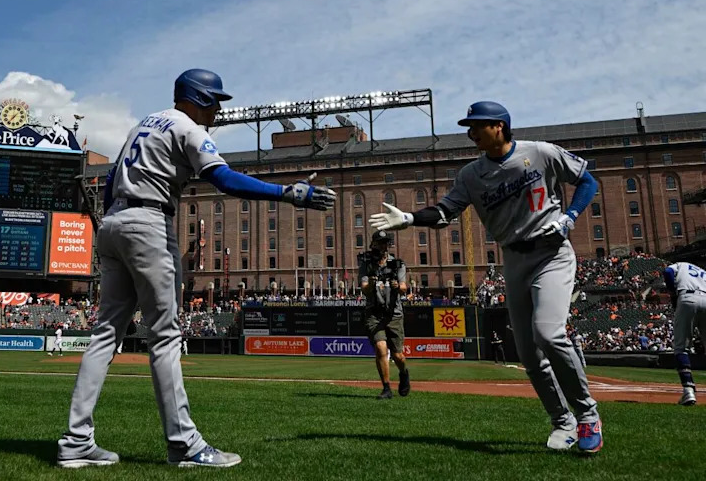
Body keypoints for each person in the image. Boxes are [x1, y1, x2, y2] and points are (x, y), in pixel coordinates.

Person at [57, 69, 336, 469]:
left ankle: (76, 441)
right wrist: (286, 193)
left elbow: (109, 181)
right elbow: (222, 179)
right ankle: (184, 444)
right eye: (216, 101)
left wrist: (114, 222)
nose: (219, 110)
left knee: (104, 336)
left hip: (114, 222)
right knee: (166, 337)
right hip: (149, 223)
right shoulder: (187, 127)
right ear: (200, 98)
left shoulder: (144, 123)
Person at [369, 101, 603, 453]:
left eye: (476, 125)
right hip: (513, 258)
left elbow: (587, 180)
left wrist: (570, 216)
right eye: (469, 126)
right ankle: (562, 421)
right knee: (528, 354)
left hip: (551, 253)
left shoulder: (540, 152)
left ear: (499, 126)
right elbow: (446, 210)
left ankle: (587, 417)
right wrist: (409, 218)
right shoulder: (471, 174)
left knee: (548, 333)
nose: (470, 132)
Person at [359, 231, 409, 399]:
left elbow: (404, 288)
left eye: (385, 243)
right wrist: (371, 283)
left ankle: (404, 374)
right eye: (380, 242)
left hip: (393, 313)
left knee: (398, 356)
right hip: (374, 313)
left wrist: (397, 286)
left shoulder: (397, 263)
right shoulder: (366, 263)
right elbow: (364, 290)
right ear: (373, 244)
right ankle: (386, 388)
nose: (383, 246)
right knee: (381, 348)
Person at [664, 261, 706, 406]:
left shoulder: (680, 265)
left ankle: (688, 391)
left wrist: (672, 294)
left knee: (681, 348)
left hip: (688, 298)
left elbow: (668, 272)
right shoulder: (702, 271)